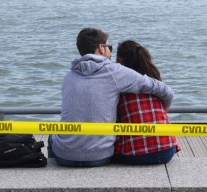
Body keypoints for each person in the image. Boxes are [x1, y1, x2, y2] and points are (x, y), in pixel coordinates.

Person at [48, 28, 174, 167]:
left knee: (52, 137)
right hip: (100, 157)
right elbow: (161, 88)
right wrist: (166, 107)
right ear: (102, 48)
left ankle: (54, 175)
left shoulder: (68, 77)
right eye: (110, 47)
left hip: (65, 157)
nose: (110, 53)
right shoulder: (115, 72)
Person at [114, 40, 179, 165]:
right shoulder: (154, 82)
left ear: (120, 61)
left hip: (133, 155)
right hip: (166, 151)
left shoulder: (120, 85)